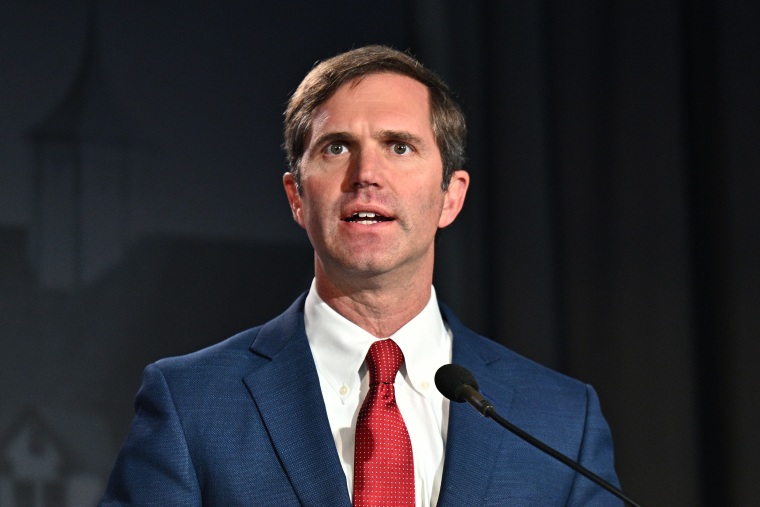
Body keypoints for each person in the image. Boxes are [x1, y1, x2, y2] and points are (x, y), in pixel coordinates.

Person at [100, 45, 622, 506]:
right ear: (296, 197)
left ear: (451, 196)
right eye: (336, 147)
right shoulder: (191, 404)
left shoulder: (559, 420)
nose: (366, 174)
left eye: (399, 146)